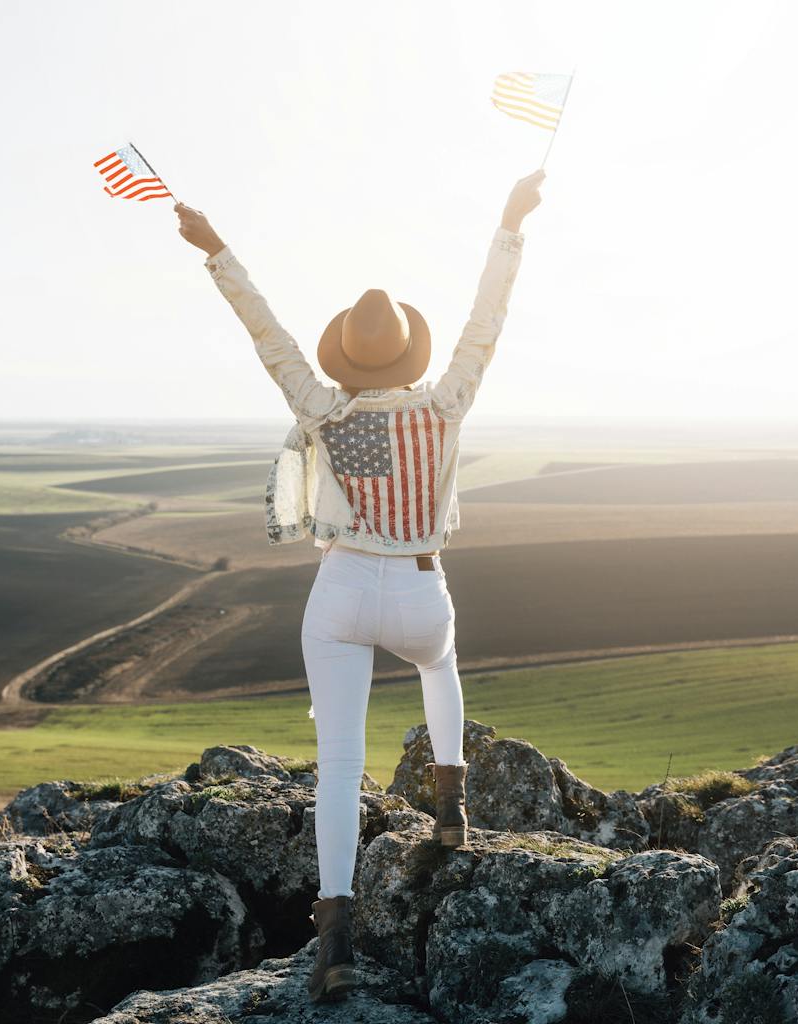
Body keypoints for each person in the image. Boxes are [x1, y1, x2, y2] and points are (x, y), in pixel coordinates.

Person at [174, 169, 543, 1002]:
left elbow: (265, 333)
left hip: (340, 591)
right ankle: (451, 799)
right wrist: (511, 222)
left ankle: (334, 937)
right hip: (420, 587)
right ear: (408, 351)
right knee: (440, 666)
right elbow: (488, 321)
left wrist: (216, 249)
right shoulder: (446, 404)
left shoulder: (322, 410)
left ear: (349, 353)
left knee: (338, 768)